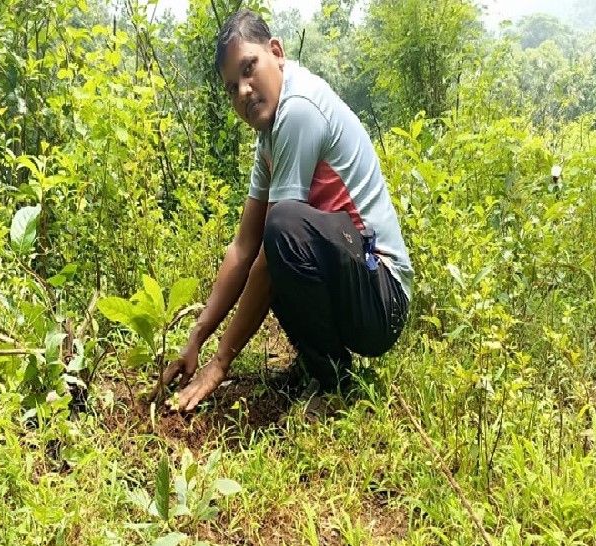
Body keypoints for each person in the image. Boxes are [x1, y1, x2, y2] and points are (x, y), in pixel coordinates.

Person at [160, 9, 413, 412]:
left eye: (249, 68)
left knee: (283, 230)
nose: (243, 91)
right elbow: (242, 247)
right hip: (356, 286)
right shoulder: (268, 137)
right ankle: (320, 363)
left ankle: (335, 383)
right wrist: (197, 335)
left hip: (382, 297)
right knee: (278, 235)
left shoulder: (298, 109)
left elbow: (265, 253)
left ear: (276, 52)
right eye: (231, 87)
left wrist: (220, 361)